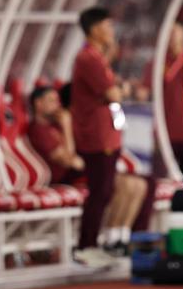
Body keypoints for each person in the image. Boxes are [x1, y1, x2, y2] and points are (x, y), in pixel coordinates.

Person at [29, 85, 147, 260]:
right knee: (120, 184)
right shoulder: (39, 130)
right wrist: (67, 126)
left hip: (80, 173)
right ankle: (106, 241)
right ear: (38, 104)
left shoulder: (56, 127)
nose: (57, 106)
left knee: (137, 184)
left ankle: (118, 237)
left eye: (57, 101)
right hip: (64, 178)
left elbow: (76, 158)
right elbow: (69, 160)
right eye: (52, 101)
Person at [70, 7, 130, 265]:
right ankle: (86, 245)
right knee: (99, 192)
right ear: (95, 29)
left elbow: (114, 90)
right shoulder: (88, 59)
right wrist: (121, 90)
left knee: (104, 191)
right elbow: (113, 94)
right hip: (96, 137)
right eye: (108, 26)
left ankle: (92, 243)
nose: (112, 31)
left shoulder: (97, 57)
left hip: (106, 135)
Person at [138, 23, 183, 176]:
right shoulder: (157, 62)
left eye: (175, 33)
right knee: (160, 178)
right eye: (169, 33)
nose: (172, 36)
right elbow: (143, 92)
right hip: (163, 131)